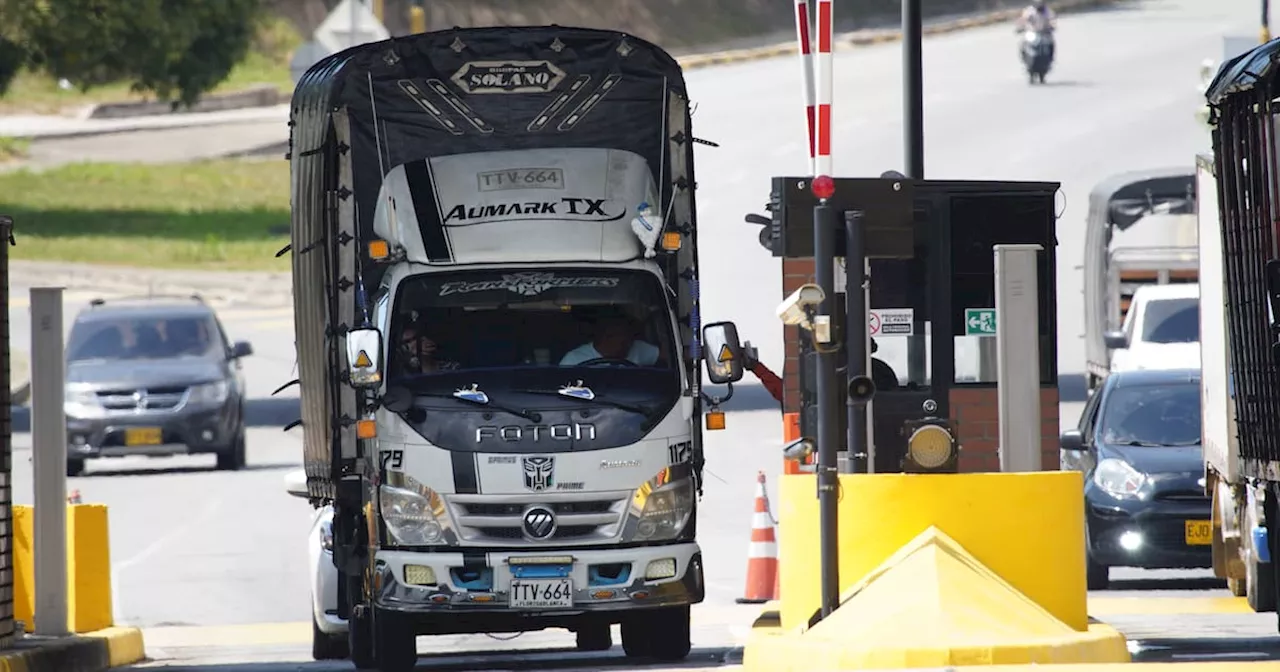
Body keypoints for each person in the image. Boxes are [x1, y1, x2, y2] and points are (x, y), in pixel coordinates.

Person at [560, 308, 660, 367]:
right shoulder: (573, 359)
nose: (629, 343)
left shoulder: (638, 348)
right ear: (606, 338)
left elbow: (667, 357)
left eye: (630, 336)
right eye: (623, 338)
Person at [397, 322, 461, 374]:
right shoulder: (401, 373)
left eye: (419, 337)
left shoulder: (452, 367)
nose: (422, 340)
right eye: (408, 341)